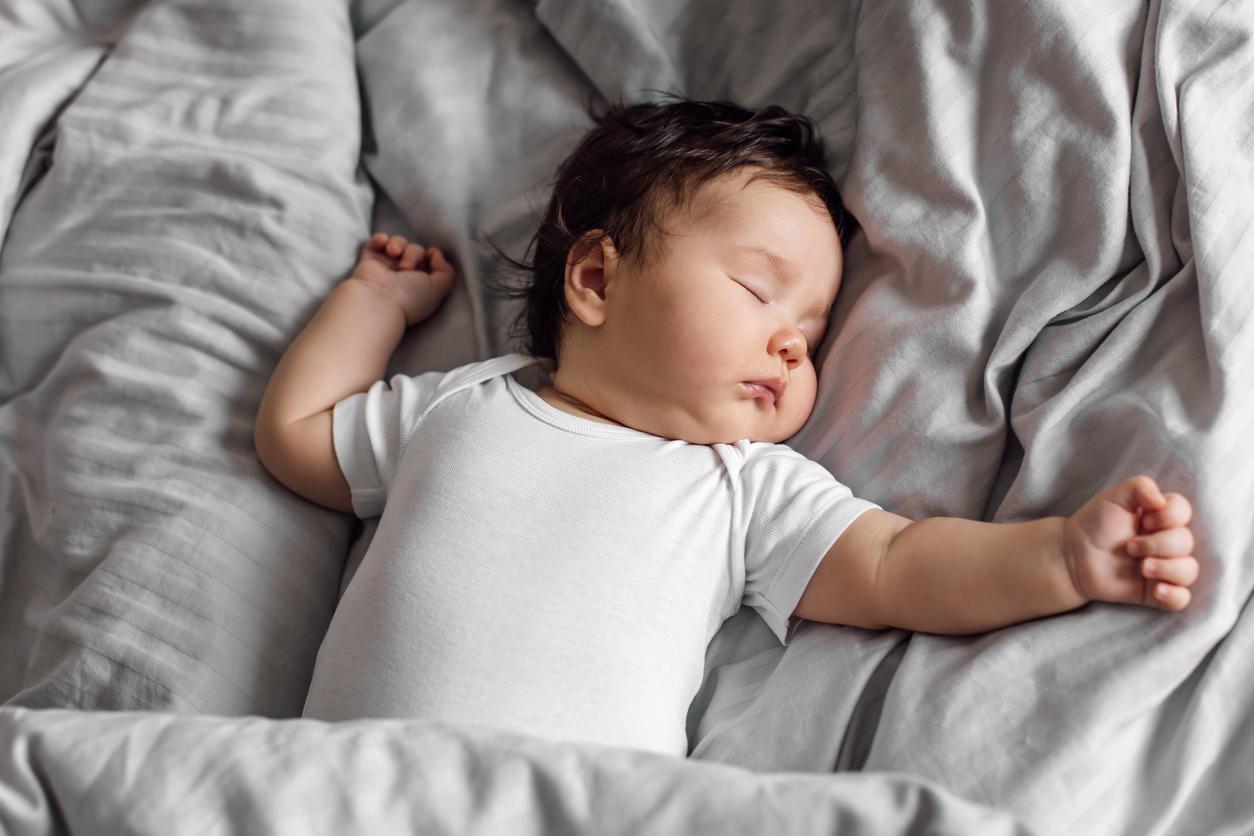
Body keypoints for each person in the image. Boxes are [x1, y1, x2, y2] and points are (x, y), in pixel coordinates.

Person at [253, 98, 1198, 758]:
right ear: (595, 281)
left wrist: (1062, 559)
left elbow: (898, 564)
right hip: (338, 791)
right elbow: (298, 432)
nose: (792, 344)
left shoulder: (741, 483)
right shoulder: (463, 405)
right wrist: (374, 300)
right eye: (757, 290)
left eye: (813, 331)